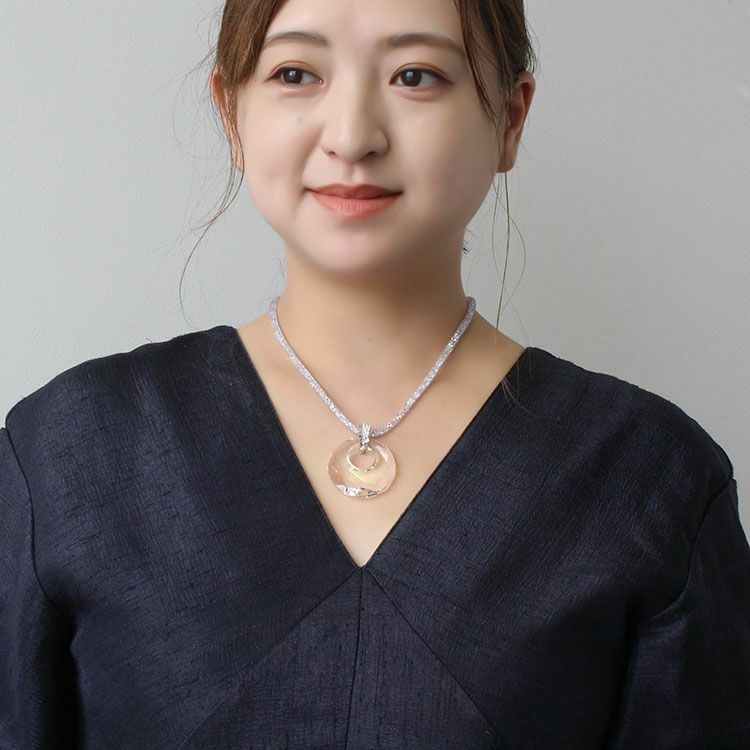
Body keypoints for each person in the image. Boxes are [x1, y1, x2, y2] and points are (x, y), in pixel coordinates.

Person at [2, 0, 749, 746]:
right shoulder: (71, 451)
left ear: (510, 119)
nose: (353, 136)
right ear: (231, 111)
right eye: (296, 73)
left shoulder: (649, 478)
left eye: (415, 76)